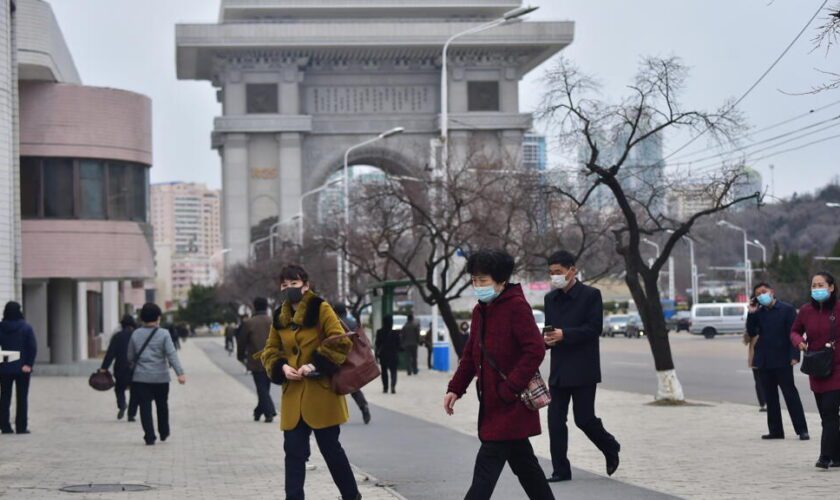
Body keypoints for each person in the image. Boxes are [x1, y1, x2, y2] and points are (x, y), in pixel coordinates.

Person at [445, 249, 554, 500]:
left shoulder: (516, 307)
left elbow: (535, 349)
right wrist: (455, 388)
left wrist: (510, 389)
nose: (478, 285)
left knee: (486, 469)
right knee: (527, 468)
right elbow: (472, 354)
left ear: (501, 280)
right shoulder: (480, 311)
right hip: (493, 403)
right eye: (474, 280)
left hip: (510, 404)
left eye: (483, 280)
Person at [260, 264, 360, 500]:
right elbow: (270, 350)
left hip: (321, 393)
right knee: (293, 453)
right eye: (284, 285)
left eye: (293, 284)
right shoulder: (279, 315)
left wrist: (314, 365)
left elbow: (341, 342)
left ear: (305, 285)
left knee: (331, 451)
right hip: (293, 395)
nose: (288, 289)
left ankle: (351, 496)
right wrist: (282, 367)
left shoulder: (321, 308)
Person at [543, 250, 620, 482]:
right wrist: (546, 339)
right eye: (551, 273)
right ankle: (560, 470)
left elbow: (594, 329)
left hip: (583, 368)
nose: (554, 277)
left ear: (572, 270)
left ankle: (610, 446)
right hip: (559, 368)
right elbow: (550, 329)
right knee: (555, 421)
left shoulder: (591, 295)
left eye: (558, 272)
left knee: (583, 419)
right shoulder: (550, 298)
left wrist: (564, 334)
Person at [746, 282, 809, 440]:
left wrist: (795, 355)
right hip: (764, 360)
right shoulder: (758, 312)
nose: (762, 295)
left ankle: (802, 430)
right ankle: (775, 431)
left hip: (783, 360)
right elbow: (752, 332)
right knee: (770, 397)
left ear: (772, 292)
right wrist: (751, 313)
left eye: (764, 291)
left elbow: (794, 333)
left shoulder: (787, 310)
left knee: (790, 395)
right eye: (758, 294)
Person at [791, 271, 840, 469]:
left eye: (821, 285)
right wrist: (799, 343)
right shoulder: (805, 311)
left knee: (829, 412)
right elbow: (794, 331)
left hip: (837, 368)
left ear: (831, 287)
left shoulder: (838, 309)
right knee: (826, 416)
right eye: (814, 285)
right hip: (816, 368)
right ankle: (837, 456)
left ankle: (825, 457)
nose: (817, 289)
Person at [128, 303, 186, 446]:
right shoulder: (164, 334)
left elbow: (130, 356)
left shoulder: (135, 334)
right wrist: (180, 373)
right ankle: (164, 431)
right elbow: (171, 354)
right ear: (158, 317)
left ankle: (149, 436)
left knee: (145, 406)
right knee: (162, 404)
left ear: (142, 318)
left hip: (141, 377)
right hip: (161, 377)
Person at [0, 302, 37, 435]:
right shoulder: (26, 328)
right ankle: (21, 427)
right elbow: (32, 347)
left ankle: (5, 426)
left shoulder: (1, 327)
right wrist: (28, 364)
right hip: (23, 369)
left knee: (4, 397)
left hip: (4, 368)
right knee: (22, 397)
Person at [238, 297, 277, 423]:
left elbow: (242, 341)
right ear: (266, 307)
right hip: (272, 360)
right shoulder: (273, 321)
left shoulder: (249, 323)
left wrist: (240, 356)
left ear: (254, 307)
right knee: (265, 388)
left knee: (262, 388)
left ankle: (269, 412)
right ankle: (258, 411)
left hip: (256, 361)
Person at [332, 303, 371, 425]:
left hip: (338, 358)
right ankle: (363, 406)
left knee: (334, 386)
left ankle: (335, 415)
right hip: (352, 358)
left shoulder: (334, 323)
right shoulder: (353, 323)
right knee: (353, 386)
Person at [100, 314, 139, 421]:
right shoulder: (138, 335)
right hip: (135, 368)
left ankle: (122, 405)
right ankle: (131, 415)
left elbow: (110, 353)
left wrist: (104, 367)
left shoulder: (117, 336)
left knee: (119, 388)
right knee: (135, 391)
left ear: (122, 324)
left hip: (120, 368)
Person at [376, 316, 401, 394]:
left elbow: (377, 344)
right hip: (393, 355)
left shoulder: (379, 332)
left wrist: (376, 355)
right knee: (393, 372)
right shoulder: (395, 333)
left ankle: (385, 388)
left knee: (384, 372)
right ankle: (393, 386)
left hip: (383, 355)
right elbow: (398, 344)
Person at [743, 331, 767, 412]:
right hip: (761, 357)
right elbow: (746, 340)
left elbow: (745, 341)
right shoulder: (754, 324)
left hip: (761, 357)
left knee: (761, 381)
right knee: (761, 382)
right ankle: (764, 403)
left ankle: (764, 404)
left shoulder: (753, 323)